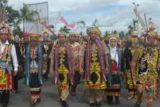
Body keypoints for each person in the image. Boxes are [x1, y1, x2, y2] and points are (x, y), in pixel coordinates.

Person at [133, 28, 159, 107]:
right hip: (141, 75)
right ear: (146, 39)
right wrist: (133, 74)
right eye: (149, 38)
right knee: (140, 91)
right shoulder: (140, 50)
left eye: (153, 38)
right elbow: (133, 62)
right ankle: (139, 100)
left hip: (152, 76)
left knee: (149, 96)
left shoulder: (158, 50)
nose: (151, 40)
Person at [84, 27, 108, 107]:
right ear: (89, 35)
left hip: (99, 67)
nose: (93, 35)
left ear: (97, 35)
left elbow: (106, 54)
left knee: (98, 85)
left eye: (95, 33)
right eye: (91, 33)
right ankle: (91, 99)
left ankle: (98, 99)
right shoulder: (85, 44)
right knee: (90, 85)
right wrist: (80, 66)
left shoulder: (102, 43)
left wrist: (107, 65)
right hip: (88, 68)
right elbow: (80, 55)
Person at [0, 22, 18, 107]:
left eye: (5, 34)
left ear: (8, 35)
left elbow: (14, 57)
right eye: (2, 34)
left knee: (6, 86)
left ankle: (5, 101)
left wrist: (15, 68)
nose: (3, 36)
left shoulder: (11, 45)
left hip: (7, 69)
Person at [53, 32, 74, 107]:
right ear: (58, 38)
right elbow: (52, 58)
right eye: (60, 37)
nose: (61, 38)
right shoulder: (55, 47)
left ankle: (64, 99)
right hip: (57, 68)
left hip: (66, 68)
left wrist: (72, 68)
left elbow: (72, 58)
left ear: (65, 38)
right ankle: (61, 96)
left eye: (63, 37)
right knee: (59, 84)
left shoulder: (69, 47)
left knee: (65, 84)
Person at [24, 33, 43, 105]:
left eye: (34, 41)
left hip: (38, 68)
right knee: (32, 83)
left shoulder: (40, 48)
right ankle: (34, 98)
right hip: (30, 69)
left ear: (37, 41)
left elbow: (43, 58)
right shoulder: (27, 48)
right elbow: (26, 58)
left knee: (37, 83)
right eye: (31, 41)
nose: (33, 42)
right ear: (30, 41)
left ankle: (37, 96)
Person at [106, 33, 123, 105]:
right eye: (111, 41)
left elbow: (122, 61)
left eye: (114, 41)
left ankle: (116, 98)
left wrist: (121, 70)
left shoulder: (119, 50)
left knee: (116, 85)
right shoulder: (106, 50)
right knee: (109, 85)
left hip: (117, 71)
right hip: (109, 71)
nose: (113, 43)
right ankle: (109, 99)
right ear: (109, 42)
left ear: (116, 42)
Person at [123, 31, 139, 100]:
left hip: (137, 68)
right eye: (133, 37)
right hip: (128, 68)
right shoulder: (127, 49)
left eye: (135, 37)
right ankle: (131, 93)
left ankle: (136, 94)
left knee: (137, 80)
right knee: (129, 80)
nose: (134, 41)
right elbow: (124, 58)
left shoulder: (139, 50)